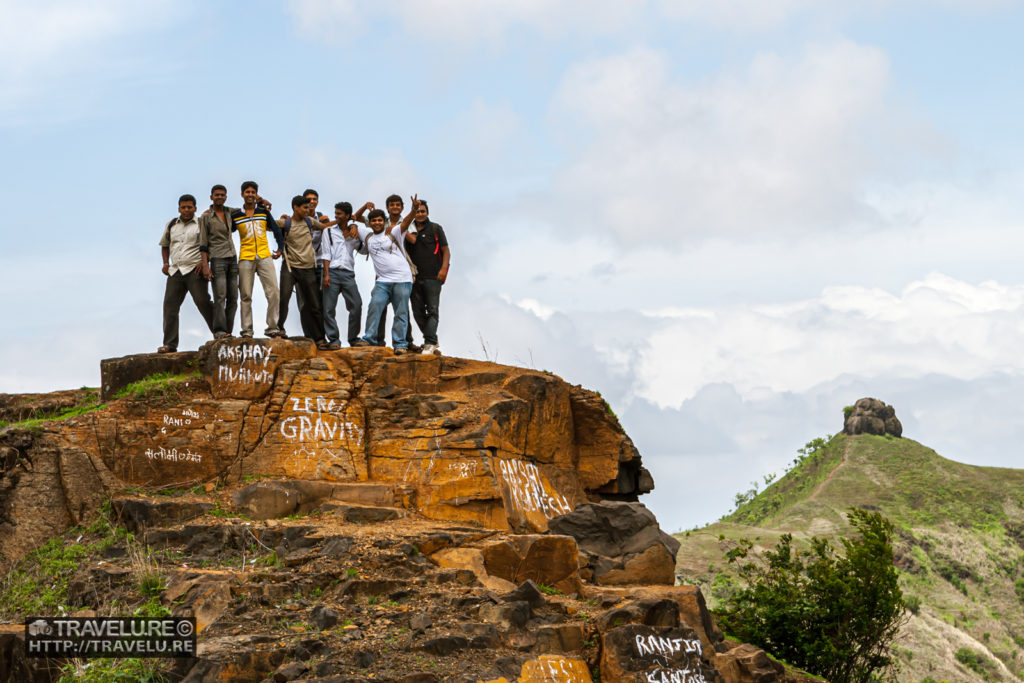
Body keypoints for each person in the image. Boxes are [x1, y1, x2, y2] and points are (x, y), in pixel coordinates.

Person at [351, 198, 418, 354]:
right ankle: (369, 339)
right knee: (375, 306)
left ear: (384, 221)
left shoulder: (393, 232)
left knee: (401, 312)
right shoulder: (367, 235)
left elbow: (406, 222)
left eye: (380, 220)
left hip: (402, 279)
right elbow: (352, 219)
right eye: (373, 220)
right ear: (370, 222)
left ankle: (400, 344)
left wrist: (414, 210)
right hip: (382, 281)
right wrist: (353, 225)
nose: (377, 223)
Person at [158, 194, 214, 353]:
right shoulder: (171, 225)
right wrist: (165, 263)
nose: (186, 210)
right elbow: (165, 245)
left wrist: (204, 262)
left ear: (195, 208)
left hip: (194, 269)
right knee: (170, 306)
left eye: (190, 207)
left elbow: (210, 245)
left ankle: (219, 333)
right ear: (179, 209)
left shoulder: (201, 223)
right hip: (175, 270)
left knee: (203, 302)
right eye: (183, 207)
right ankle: (169, 344)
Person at [273, 196, 329, 348]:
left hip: (308, 268)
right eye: (304, 207)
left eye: (308, 207)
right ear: (295, 208)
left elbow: (326, 228)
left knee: (315, 304)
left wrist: (345, 222)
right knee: (283, 299)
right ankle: (278, 329)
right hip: (290, 267)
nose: (307, 210)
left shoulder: (310, 222)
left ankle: (319, 338)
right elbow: (267, 224)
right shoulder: (286, 223)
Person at [231, 181, 283, 338]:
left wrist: (280, 248)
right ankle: (247, 330)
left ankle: (272, 328)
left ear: (256, 194)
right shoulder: (236, 215)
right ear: (242, 194)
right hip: (245, 257)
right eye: (247, 192)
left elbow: (276, 230)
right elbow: (226, 231)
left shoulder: (263, 212)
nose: (250, 195)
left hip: (264, 255)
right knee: (246, 295)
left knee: (273, 292)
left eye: (253, 192)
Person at [404, 199, 450, 355]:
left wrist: (443, 269)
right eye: (417, 211)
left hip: (433, 276)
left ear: (427, 212)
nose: (420, 214)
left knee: (432, 310)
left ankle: (429, 343)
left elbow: (445, 250)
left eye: (423, 211)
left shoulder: (436, 228)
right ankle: (432, 338)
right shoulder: (407, 230)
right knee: (417, 311)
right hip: (414, 277)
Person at [318, 202, 364, 349]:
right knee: (328, 308)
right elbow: (325, 253)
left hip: (348, 273)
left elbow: (363, 250)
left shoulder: (354, 233)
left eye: (339, 214)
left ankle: (353, 338)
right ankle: (333, 340)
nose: (336, 216)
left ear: (348, 216)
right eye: (336, 213)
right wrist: (326, 275)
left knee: (356, 304)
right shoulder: (329, 231)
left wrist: (357, 229)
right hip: (331, 271)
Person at [198, 184, 238, 339]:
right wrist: (205, 265)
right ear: (211, 197)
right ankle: (219, 331)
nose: (219, 197)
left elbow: (248, 208)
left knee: (233, 297)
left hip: (232, 257)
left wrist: (261, 200)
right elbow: (203, 243)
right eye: (217, 195)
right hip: (217, 258)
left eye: (222, 195)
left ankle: (229, 331)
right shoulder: (206, 217)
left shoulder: (230, 212)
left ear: (226, 197)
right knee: (220, 296)